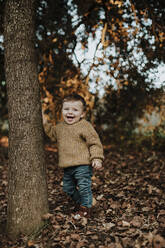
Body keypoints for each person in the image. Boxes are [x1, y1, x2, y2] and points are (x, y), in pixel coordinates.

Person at [42, 94, 104, 219]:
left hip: (83, 165)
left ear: (82, 114)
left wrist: (96, 158)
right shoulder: (60, 127)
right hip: (67, 166)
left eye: (75, 110)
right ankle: (86, 202)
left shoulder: (84, 126)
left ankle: (85, 210)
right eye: (66, 109)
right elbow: (51, 133)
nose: (70, 112)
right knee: (67, 188)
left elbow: (94, 142)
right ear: (62, 111)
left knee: (83, 187)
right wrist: (43, 120)